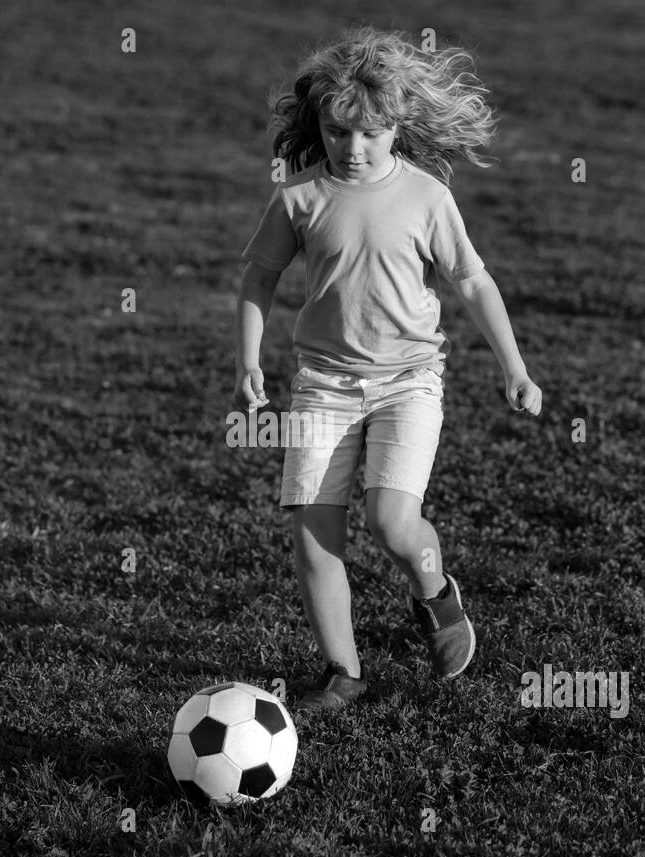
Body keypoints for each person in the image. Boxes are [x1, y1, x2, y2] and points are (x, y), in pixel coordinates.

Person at [235, 25, 542, 712]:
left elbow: (472, 283)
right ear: (321, 124)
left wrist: (515, 369)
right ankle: (344, 673)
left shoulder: (427, 196)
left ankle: (435, 594)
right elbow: (258, 278)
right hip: (323, 383)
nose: (353, 148)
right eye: (338, 132)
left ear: (396, 125)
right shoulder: (298, 197)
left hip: (409, 380)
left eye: (369, 134)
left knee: (393, 523)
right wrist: (248, 358)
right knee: (313, 535)